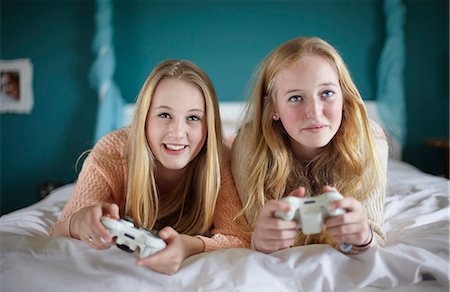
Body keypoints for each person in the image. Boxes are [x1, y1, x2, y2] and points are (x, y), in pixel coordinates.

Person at [50, 59, 250, 274]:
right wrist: (82, 221)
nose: (178, 132)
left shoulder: (221, 160)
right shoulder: (112, 151)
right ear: (144, 119)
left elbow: (238, 238)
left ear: (208, 126)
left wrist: (188, 246)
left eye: (193, 117)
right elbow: (62, 225)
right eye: (164, 115)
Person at [231, 37, 388, 255]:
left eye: (327, 93)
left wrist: (363, 236)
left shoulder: (371, 138)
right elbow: (255, 234)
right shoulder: (250, 143)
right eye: (296, 98)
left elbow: (375, 236)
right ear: (273, 107)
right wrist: (262, 241)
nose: (314, 112)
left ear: (344, 97)